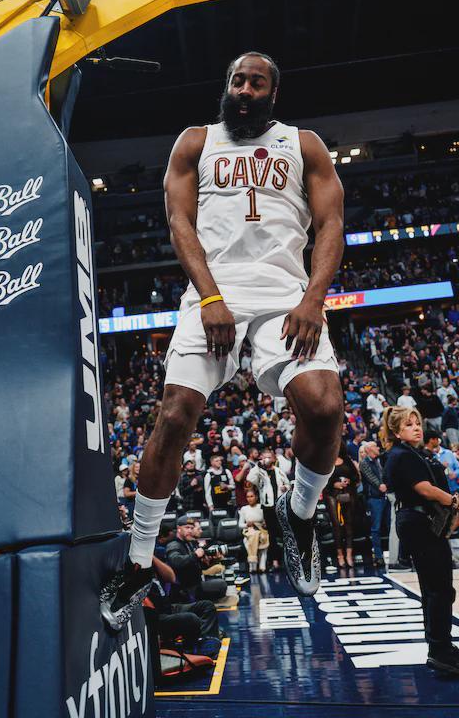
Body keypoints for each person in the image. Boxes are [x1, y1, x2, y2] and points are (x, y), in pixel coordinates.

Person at [101, 51, 344, 630]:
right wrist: (210, 298)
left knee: (324, 406)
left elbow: (331, 224)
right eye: (237, 80)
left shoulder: (304, 145)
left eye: (257, 82)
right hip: (213, 291)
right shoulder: (195, 142)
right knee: (174, 414)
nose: (245, 89)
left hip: (285, 295)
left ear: (272, 93)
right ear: (227, 87)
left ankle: (299, 514)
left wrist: (313, 299)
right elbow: (179, 222)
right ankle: (138, 561)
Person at [383, 406, 459, 675]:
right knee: (439, 588)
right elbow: (424, 490)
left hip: (421, 522)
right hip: (419, 522)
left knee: (435, 588)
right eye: (409, 424)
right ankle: (440, 650)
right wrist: (453, 501)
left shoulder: (413, 453)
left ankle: (441, 646)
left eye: (417, 423)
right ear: (396, 431)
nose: (416, 428)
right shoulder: (401, 455)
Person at [247, 449, 290, 569]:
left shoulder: (279, 471)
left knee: (284, 533)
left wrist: (285, 487)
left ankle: (287, 560)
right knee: (272, 534)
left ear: (273, 459)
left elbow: (288, 484)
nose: (266, 459)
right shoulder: (259, 472)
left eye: (269, 457)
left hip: (280, 506)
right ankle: (274, 561)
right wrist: (258, 465)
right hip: (268, 507)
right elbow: (250, 479)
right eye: (264, 457)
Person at [324, 440, 360, 568]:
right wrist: (334, 484)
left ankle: (349, 554)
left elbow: (356, 477)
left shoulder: (347, 460)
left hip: (348, 493)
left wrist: (349, 481)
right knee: (336, 525)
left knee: (349, 524)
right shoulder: (326, 462)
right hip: (332, 495)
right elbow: (322, 480)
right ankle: (340, 555)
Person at [360, 440, 390, 568]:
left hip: (385, 497)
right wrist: (380, 485)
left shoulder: (379, 460)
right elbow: (371, 478)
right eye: (375, 447)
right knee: (376, 528)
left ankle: (396, 554)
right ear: (369, 450)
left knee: (390, 526)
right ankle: (378, 556)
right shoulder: (364, 463)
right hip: (374, 498)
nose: (378, 448)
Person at [238, 488, 269, 573]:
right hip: (249, 530)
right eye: (248, 497)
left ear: (256, 497)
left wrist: (264, 524)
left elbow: (265, 521)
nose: (249, 499)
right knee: (252, 536)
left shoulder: (261, 507)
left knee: (263, 537)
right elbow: (240, 525)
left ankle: (262, 566)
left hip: (261, 529)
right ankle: (253, 566)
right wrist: (246, 525)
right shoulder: (244, 509)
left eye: (251, 496)